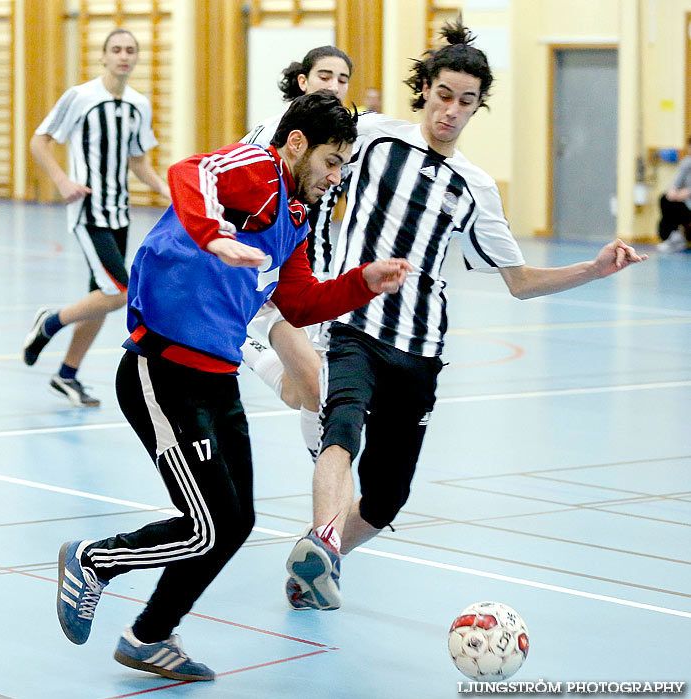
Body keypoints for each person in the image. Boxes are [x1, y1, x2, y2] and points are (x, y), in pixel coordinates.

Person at [284, 21, 648, 612]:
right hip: (353, 324)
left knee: (385, 501)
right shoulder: (372, 136)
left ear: (479, 108)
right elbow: (298, 150)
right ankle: (322, 540)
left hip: (420, 349)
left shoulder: (476, 187)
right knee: (340, 428)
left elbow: (521, 283)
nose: (451, 111)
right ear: (425, 88)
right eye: (444, 95)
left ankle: (316, 565)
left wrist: (595, 269)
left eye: (466, 102)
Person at [54, 91, 411, 681]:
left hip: (216, 379)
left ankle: (148, 636)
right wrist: (212, 235)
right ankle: (93, 563)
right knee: (211, 522)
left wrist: (364, 282)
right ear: (297, 145)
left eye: (343, 164)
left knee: (234, 521)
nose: (335, 176)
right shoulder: (257, 171)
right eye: (330, 161)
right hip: (161, 368)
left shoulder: (296, 216)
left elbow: (299, 301)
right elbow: (186, 171)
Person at [23, 28, 170, 407]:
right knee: (118, 292)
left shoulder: (139, 103)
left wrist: (168, 191)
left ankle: (66, 374)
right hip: (88, 209)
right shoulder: (81, 97)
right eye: (116, 49)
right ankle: (51, 320)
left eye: (130, 50)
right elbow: (40, 140)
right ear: (103, 56)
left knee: (102, 295)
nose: (124, 55)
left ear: (137, 58)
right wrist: (62, 180)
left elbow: (138, 161)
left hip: (118, 211)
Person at [239, 46, 355, 460]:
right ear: (303, 82)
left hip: (318, 273)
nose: (335, 85)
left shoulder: (346, 142)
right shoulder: (266, 136)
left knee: (298, 390)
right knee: (317, 386)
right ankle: (327, 494)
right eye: (325, 75)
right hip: (275, 277)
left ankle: (239, 344)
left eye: (343, 79)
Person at [656, 138, 691, 253]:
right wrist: (672, 191)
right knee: (665, 200)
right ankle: (674, 236)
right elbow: (676, 182)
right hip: (686, 202)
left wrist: (688, 191)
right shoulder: (686, 162)